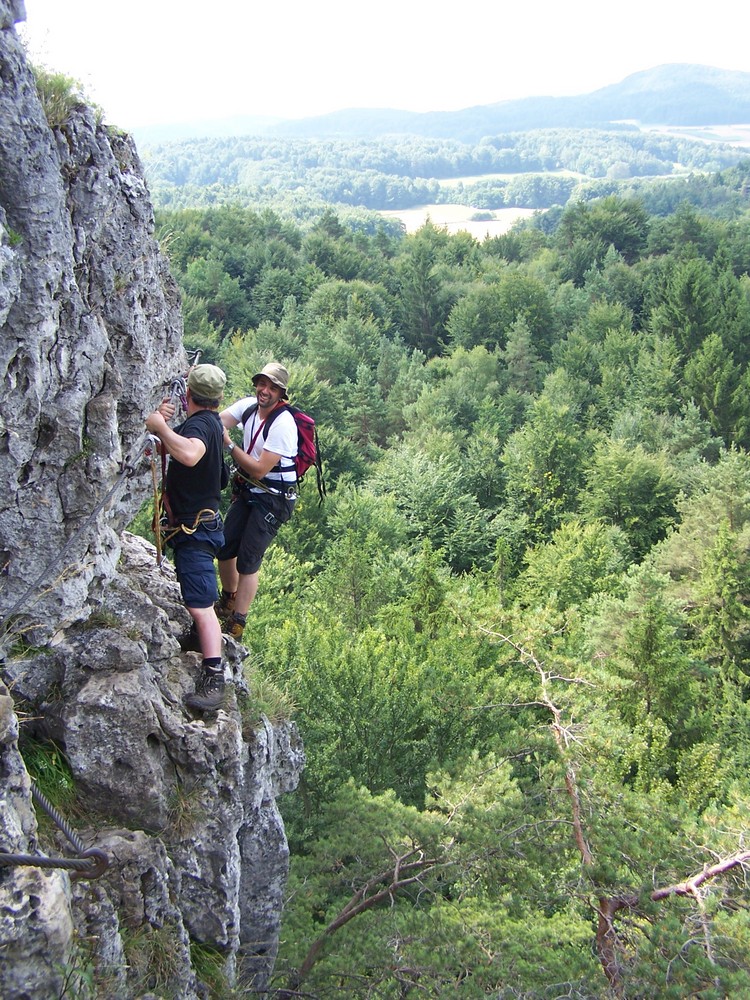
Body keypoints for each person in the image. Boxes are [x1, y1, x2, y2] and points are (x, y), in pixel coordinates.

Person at [145, 363, 228, 713]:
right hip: (202, 526)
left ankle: (214, 678)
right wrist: (165, 429)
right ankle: (205, 645)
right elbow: (180, 448)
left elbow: (189, 454)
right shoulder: (211, 424)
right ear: (218, 398)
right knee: (199, 600)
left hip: (196, 532)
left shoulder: (198, 427)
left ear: (188, 395)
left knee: (200, 604)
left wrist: (160, 424)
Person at [215, 362, 298, 639]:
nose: (265, 391)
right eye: (262, 384)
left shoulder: (283, 423)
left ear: (281, 394)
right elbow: (217, 421)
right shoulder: (250, 407)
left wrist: (229, 444)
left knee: (248, 560)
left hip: (274, 499)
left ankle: (237, 623)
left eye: (273, 387)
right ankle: (228, 600)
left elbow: (260, 469)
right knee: (224, 546)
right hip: (250, 490)